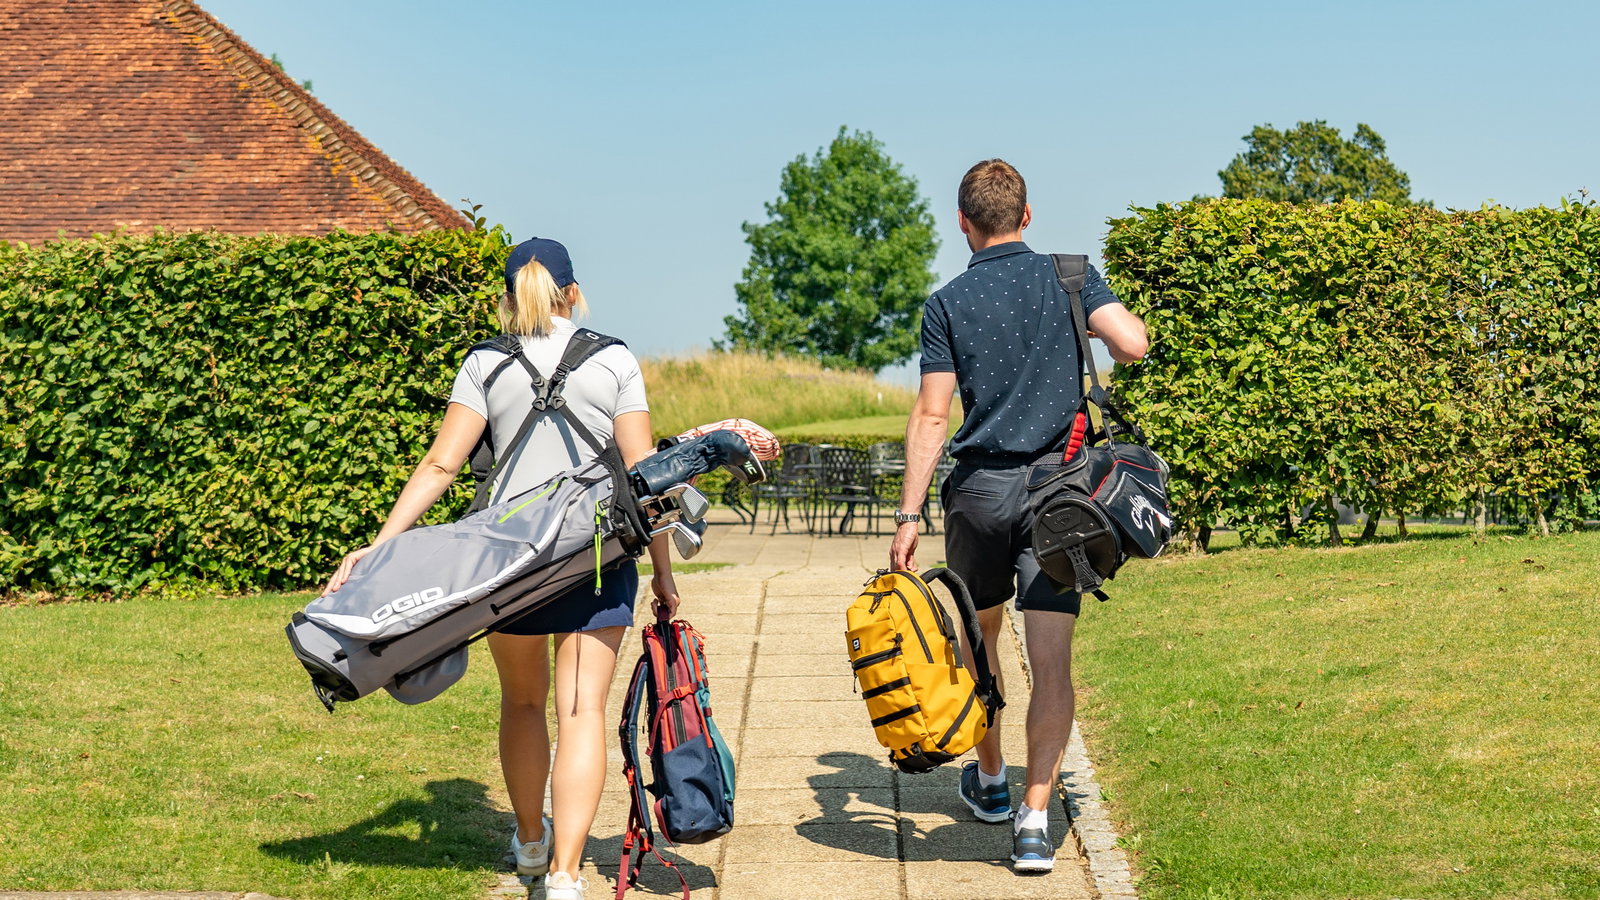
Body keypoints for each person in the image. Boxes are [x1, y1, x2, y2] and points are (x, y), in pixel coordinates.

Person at [323, 238, 678, 900]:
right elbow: (645, 475)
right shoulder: (614, 359)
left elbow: (441, 465)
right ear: (573, 292)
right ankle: (567, 876)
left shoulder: (485, 363)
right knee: (581, 712)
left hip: (507, 565)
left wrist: (380, 545)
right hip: (595, 558)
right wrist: (663, 572)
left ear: (508, 298)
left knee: (522, 702)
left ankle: (532, 842)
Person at [889, 160, 1148, 874]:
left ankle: (993, 778)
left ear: (963, 223)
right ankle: (1035, 822)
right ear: (1026, 215)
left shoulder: (946, 303)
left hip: (979, 494)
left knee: (980, 642)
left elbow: (932, 415)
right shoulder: (1071, 276)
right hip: (1060, 496)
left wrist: (909, 514)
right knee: (1052, 658)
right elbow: (1132, 343)